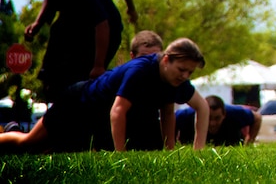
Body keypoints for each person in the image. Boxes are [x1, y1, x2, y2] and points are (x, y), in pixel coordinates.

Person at [0, 37, 209, 153]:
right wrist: (121, 157)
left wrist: (191, 151)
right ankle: (7, 133)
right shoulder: (141, 71)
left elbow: (200, 108)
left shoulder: (174, 79)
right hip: (78, 102)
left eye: (189, 72)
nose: (185, 75)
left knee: (53, 151)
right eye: (182, 69)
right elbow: (118, 112)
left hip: (96, 117)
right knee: (28, 144)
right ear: (166, 60)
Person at [25, 0, 123, 101]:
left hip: (107, 32)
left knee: (80, 74)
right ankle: (52, 81)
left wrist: (98, 65)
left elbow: (102, 25)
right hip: (82, 25)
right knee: (57, 29)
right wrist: (38, 22)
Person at [176, 94, 262, 146]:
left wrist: (249, 143)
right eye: (208, 118)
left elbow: (257, 118)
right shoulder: (186, 115)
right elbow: (170, 120)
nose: (212, 123)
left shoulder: (235, 113)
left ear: (224, 114)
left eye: (217, 118)